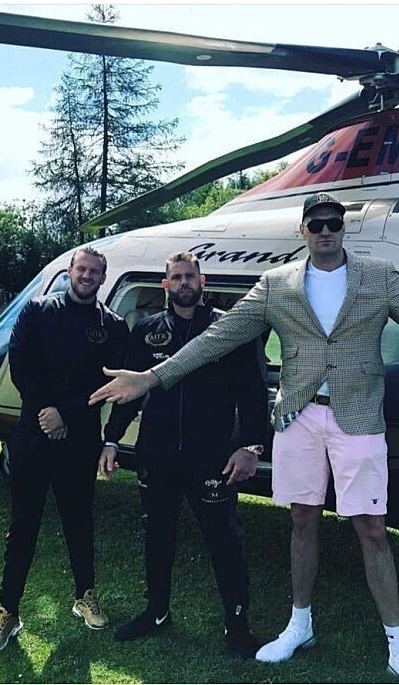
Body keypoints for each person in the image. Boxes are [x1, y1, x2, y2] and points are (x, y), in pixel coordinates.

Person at [88, 192, 399, 683]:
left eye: (334, 223)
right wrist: (151, 377)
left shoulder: (378, 277)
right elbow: (217, 338)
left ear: (343, 228)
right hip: (298, 419)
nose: (325, 231)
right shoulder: (276, 284)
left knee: (372, 529)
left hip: (358, 419)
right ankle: (299, 624)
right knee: (302, 521)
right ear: (303, 231)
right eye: (317, 224)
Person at [100, 251, 268, 658]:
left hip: (211, 456)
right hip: (157, 454)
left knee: (224, 540)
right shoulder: (147, 330)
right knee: (157, 536)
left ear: (202, 281)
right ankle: (156, 612)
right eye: (175, 278)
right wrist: (111, 439)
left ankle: (237, 624)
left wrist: (251, 446)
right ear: (165, 285)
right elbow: (129, 390)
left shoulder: (228, 330)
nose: (183, 284)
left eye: (190, 277)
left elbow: (252, 392)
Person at [0, 247, 129, 653]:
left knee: (79, 521)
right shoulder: (37, 310)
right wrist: (47, 409)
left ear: (103, 278)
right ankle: (8, 611)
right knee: (23, 526)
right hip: (33, 433)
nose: (87, 276)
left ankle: (85, 596)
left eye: (95, 271)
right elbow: (20, 362)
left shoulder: (113, 325)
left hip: (80, 438)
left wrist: (66, 414)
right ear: (70, 271)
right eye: (81, 269)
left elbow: (109, 383)